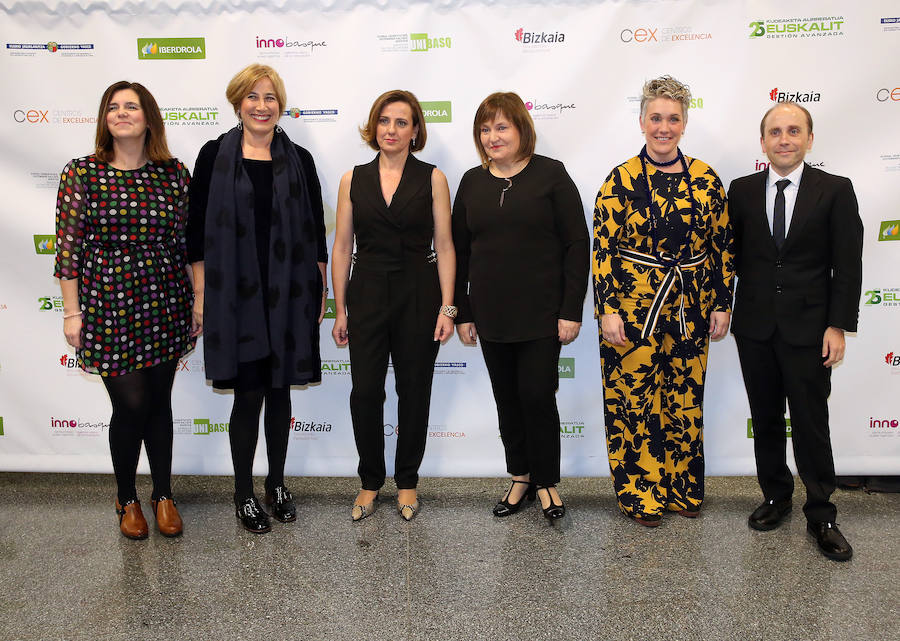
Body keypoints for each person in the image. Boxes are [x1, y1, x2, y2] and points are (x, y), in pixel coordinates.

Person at [187, 64, 328, 534]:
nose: (261, 106)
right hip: (234, 300)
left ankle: (278, 483)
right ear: (237, 103)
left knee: (280, 392)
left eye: (270, 97)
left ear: (280, 105)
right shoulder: (213, 156)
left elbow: (315, 232)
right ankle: (244, 492)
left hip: (289, 295)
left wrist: (319, 286)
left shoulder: (300, 159)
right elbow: (195, 235)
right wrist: (202, 296)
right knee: (248, 396)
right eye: (252, 97)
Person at [55, 80, 195, 540]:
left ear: (148, 116)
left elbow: (190, 244)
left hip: (165, 298)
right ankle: (126, 497)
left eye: (131, 106)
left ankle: (163, 494)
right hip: (107, 304)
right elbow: (68, 251)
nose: (121, 113)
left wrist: (197, 301)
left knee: (159, 400)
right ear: (104, 119)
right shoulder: (81, 174)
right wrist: (71, 313)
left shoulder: (173, 173)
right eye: (112, 107)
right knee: (131, 402)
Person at [593, 76, 734, 527]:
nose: (664, 127)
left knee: (685, 400)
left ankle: (683, 488)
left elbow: (722, 246)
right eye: (656, 117)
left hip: (691, 310)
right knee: (632, 403)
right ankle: (640, 494)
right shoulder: (621, 179)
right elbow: (602, 249)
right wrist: (608, 310)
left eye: (673, 118)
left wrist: (721, 302)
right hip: (633, 314)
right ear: (641, 122)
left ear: (684, 123)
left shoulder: (707, 179)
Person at [729, 102, 862, 561]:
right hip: (755, 327)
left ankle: (822, 513)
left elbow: (848, 265)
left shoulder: (835, 190)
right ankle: (776, 497)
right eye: (774, 132)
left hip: (810, 329)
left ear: (809, 139)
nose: (783, 139)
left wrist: (838, 325)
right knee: (766, 419)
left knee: (810, 423)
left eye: (793, 131)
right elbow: (734, 258)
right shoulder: (741, 191)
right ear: (762, 141)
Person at [453, 91, 589, 522]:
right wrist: (463, 310)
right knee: (507, 400)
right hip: (491, 315)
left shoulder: (551, 175)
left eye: (501, 127)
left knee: (536, 396)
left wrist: (571, 310)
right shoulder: (472, 182)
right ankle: (521, 477)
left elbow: (576, 245)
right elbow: (459, 252)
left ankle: (547, 482)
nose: (492, 136)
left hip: (542, 315)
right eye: (485, 128)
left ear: (521, 130)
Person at [332, 90, 455, 522]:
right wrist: (340, 309)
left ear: (415, 130)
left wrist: (448, 308)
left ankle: (407, 482)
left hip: (419, 295)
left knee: (413, 391)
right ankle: (369, 481)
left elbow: (444, 244)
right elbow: (343, 246)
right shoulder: (353, 179)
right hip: (365, 292)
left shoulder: (433, 178)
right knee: (365, 392)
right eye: (384, 120)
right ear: (374, 125)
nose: (391, 130)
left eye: (402, 122)